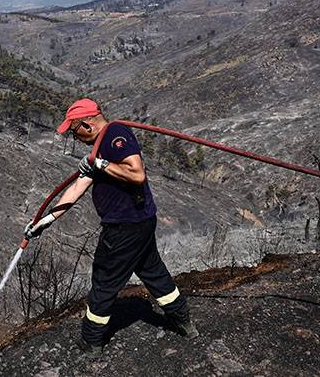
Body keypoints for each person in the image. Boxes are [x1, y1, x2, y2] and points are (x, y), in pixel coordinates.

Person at [24, 98, 197, 356]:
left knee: (105, 281)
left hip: (124, 227)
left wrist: (101, 164)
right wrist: (45, 221)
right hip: (140, 223)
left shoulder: (116, 135)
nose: (74, 137)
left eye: (74, 131)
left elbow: (137, 174)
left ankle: (91, 341)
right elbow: (77, 188)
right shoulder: (99, 146)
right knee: (152, 270)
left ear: (86, 124)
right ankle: (183, 320)